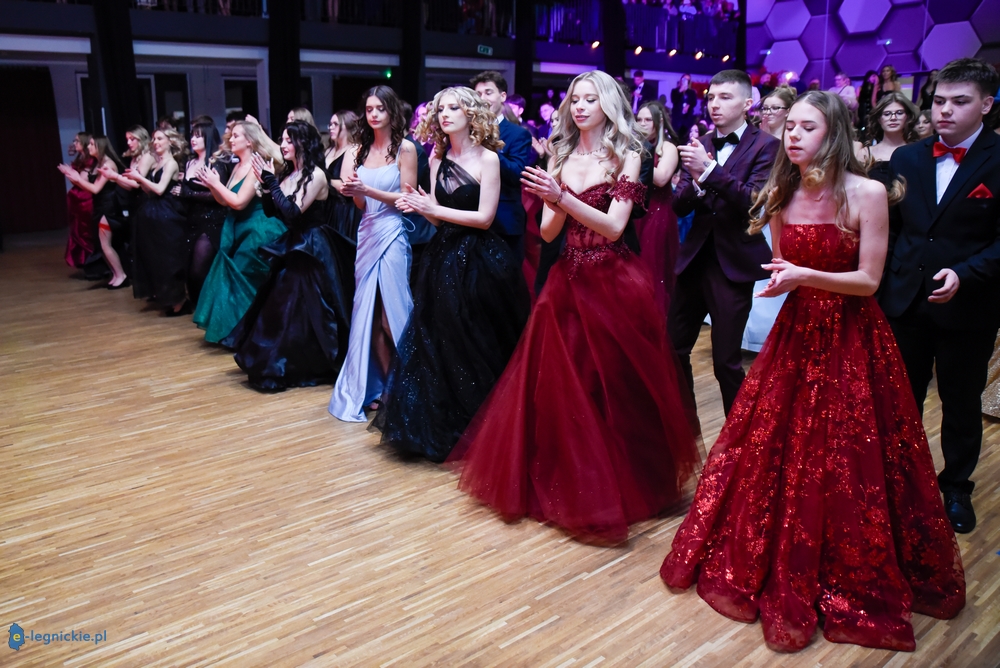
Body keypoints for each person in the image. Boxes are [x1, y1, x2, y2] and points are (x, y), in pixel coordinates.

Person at [661, 90, 966, 652]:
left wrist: (802, 275)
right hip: (798, 331)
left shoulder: (867, 192)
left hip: (851, 332)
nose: (793, 136)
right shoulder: (782, 192)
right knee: (779, 443)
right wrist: (788, 279)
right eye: (790, 127)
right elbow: (784, 265)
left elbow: (868, 281)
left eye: (807, 127)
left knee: (848, 451)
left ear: (834, 133)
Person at [447, 70, 700, 544]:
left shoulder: (628, 156)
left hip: (613, 279)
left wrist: (562, 196)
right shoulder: (561, 156)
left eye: (590, 99)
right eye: (575, 99)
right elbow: (547, 233)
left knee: (615, 384)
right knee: (565, 387)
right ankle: (571, 480)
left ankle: (625, 483)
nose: (580, 106)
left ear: (608, 105)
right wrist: (555, 200)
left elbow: (614, 227)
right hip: (567, 278)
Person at [373, 87, 531, 462]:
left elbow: (484, 218)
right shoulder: (438, 157)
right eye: (440, 109)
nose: (444, 114)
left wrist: (433, 209)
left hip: (479, 259)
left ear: (470, 114)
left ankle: (485, 428)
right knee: (438, 341)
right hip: (442, 256)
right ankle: (443, 428)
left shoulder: (489, 158)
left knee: (475, 340)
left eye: (453, 108)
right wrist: (421, 207)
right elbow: (436, 217)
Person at [878, 58, 1000, 534]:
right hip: (905, 300)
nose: (944, 110)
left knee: (961, 401)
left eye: (959, 101)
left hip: (969, 305)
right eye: (939, 101)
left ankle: (956, 488)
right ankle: (898, 482)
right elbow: (891, 228)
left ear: (986, 105)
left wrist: (966, 274)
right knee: (899, 398)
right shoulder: (907, 158)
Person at [670, 69, 780, 416]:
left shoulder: (767, 145)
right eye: (711, 98)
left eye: (725, 97)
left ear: (748, 103)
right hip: (694, 261)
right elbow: (679, 204)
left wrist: (708, 172)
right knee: (673, 348)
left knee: (725, 362)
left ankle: (739, 437)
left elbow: (754, 201)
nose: (714, 105)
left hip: (732, 264)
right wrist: (695, 182)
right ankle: (686, 426)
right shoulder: (701, 143)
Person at [222, 121, 352, 391]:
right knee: (284, 305)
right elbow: (274, 212)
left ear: (303, 143)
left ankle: (296, 364)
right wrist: (266, 187)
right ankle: (281, 361)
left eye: (289, 140)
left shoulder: (316, 175)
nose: (283, 145)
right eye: (282, 139)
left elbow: (293, 211)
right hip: (295, 243)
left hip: (313, 247)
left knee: (306, 307)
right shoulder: (292, 173)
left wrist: (271, 182)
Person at [328, 85, 417, 422]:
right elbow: (360, 204)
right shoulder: (357, 150)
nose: (374, 114)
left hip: (392, 232)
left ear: (392, 111)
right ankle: (385, 388)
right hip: (366, 233)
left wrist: (367, 189)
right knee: (369, 315)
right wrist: (355, 191)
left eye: (380, 108)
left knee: (393, 314)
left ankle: (413, 385)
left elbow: (407, 199)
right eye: (369, 109)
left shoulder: (405, 148)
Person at [192, 120, 287, 341]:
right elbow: (224, 201)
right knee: (234, 279)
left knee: (244, 277)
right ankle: (238, 332)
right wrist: (212, 185)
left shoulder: (256, 166)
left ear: (250, 141)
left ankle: (251, 332)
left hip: (258, 230)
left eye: (236, 136)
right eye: (231, 136)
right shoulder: (237, 166)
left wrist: (216, 184)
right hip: (238, 227)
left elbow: (239, 202)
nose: (231, 139)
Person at [741, 85, 797, 351]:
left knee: (776, 263)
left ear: (788, 111)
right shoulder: (756, 138)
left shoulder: (793, 141)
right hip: (757, 204)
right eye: (766, 108)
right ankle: (749, 335)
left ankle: (774, 335)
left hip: (782, 204)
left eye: (776, 108)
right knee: (756, 268)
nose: (769, 112)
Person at [470, 70, 533, 262]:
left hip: (504, 220)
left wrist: (488, 147)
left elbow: (517, 174)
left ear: (502, 96)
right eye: (478, 94)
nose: (483, 98)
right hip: (469, 217)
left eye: (488, 92)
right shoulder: (466, 131)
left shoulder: (518, 134)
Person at [126, 129, 191, 316]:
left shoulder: (171, 163)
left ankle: (179, 301)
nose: (155, 142)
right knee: (157, 258)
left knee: (169, 259)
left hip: (167, 214)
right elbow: (150, 191)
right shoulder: (158, 163)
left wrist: (140, 178)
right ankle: (167, 298)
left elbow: (161, 189)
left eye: (160, 138)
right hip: (155, 213)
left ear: (170, 142)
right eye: (154, 139)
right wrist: (140, 181)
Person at [174, 120, 231, 306]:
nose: (193, 139)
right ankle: (200, 307)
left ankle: (210, 306)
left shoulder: (216, 162)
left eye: (198, 136)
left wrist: (188, 193)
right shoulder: (190, 162)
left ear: (208, 138)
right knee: (189, 266)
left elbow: (217, 195)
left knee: (199, 269)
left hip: (212, 220)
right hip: (191, 219)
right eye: (192, 135)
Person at [635, 100, 681, 314]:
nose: (642, 124)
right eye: (639, 119)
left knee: (653, 267)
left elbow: (662, 178)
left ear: (659, 122)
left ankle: (656, 318)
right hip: (637, 210)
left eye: (648, 119)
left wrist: (634, 162)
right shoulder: (635, 145)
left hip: (658, 212)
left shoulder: (667, 148)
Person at [96, 126, 155, 289]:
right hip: (135, 205)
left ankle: (151, 284)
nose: (129, 143)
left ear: (142, 139)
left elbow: (136, 184)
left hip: (147, 204)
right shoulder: (134, 158)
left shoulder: (147, 156)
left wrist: (114, 176)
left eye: (132, 139)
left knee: (147, 246)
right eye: (127, 139)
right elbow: (129, 186)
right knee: (137, 246)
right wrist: (114, 178)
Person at [60, 135, 122, 282]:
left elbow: (95, 189)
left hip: (108, 207)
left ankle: (121, 275)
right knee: (101, 245)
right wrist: (74, 176)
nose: (88, 146)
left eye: (92, 144)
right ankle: (116, 274)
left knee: (105, 245)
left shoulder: (108, 164)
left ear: (100, 146)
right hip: (99, 206)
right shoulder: (99, 163)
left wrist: (76, 177)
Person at [855, 92, 920, 190]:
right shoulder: (865, 154)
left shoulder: (918, 151)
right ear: (879, 119)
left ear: (908, 116)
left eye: (899, 113)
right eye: (887, 114)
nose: (893, 118)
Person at [58, 132, 96, 270]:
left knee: (84, 232)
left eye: (77, 141)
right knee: (77, 230)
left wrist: (68, 173)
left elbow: (81, 181)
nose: (74, 143)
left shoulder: (90, 160)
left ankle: (93, 263)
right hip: (77, 197)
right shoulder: (81, 157)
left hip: (85, 199)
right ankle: (84, 262)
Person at [325, 110, 363, 243]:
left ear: (348, 126)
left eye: (335, 124)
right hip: (328, 206)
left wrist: (322, 180)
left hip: (343, 210)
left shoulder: (353, 149)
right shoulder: (329, 150)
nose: (331, 128)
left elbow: (345, 186)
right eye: (330, 124)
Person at [670, 74, 698, 142]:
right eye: (684, 79)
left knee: (686, 137)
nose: (686, 81)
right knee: (676, 136)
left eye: (688, 80)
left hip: (687, 119)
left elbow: (694, 102)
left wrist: (689, 105)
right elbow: (673, 100)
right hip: (677, 118)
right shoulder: (675, 91)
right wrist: (680, 91)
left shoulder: (691, 92)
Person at [857, 70, 879, 135]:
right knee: (863, 124)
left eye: (876, 77)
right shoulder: (861, 88)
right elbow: (858, 100)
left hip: (872, 108)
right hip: (863, 108)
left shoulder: (877, 87)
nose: (874, 78)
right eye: (873, 76)